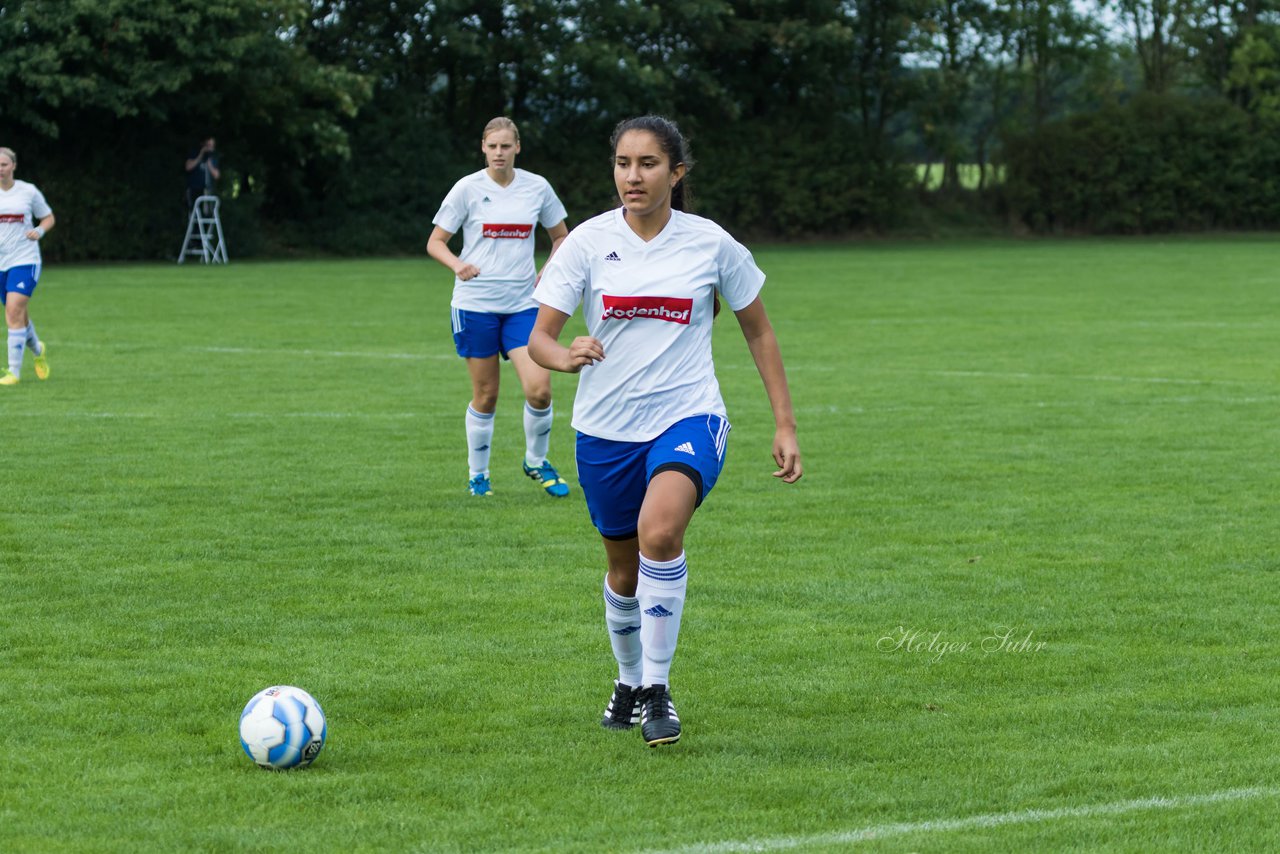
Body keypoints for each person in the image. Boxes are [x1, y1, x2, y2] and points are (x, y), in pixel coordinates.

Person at [528, 115, 803, 747]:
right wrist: (563, 354)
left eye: (648, 164)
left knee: (661, 532)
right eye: (623, 163)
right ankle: (628, 682)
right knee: (623, 571)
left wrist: (784, 424)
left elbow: (758, 329)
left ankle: (657, 688)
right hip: (604, 431)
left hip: (689, 416)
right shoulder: (588, 243)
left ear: (676, 174)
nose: (633, 176)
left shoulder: (710, 244)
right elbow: (539, 337)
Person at [427, 117, 573, 498]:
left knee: (540, 390)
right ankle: (479, 475)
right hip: (475, 306)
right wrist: (458, 264)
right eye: (492, 147)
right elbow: (436, 242)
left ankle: (536, 462)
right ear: (483, 147)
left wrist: (547, 272)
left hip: (523, 305)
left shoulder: (537, 188)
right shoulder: (467, 189)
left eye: (505, 146)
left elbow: (561, 237)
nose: (499, 153)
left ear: (517, 148)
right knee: (487, 395)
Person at [0, 146, 54, 386]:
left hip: (25, 259)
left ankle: (14, 372)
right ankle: (37, 349)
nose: (0, 170)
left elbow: (48, 217)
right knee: (18, 315)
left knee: (12, 311)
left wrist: (40, 230)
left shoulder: (28, 191)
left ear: (13, 166)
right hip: (1, 263)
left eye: (4, 165)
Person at [185, 136, 221, 208]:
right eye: (208, 145)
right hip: (194, 190)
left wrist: (209, 163)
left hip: (208, 191)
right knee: (194, 213)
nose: (210, 148)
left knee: (209, 215)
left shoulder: (213, 157)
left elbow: (217, 176)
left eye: (212, 145)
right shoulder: (194, 153)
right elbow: (188, 167)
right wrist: (201, 155)